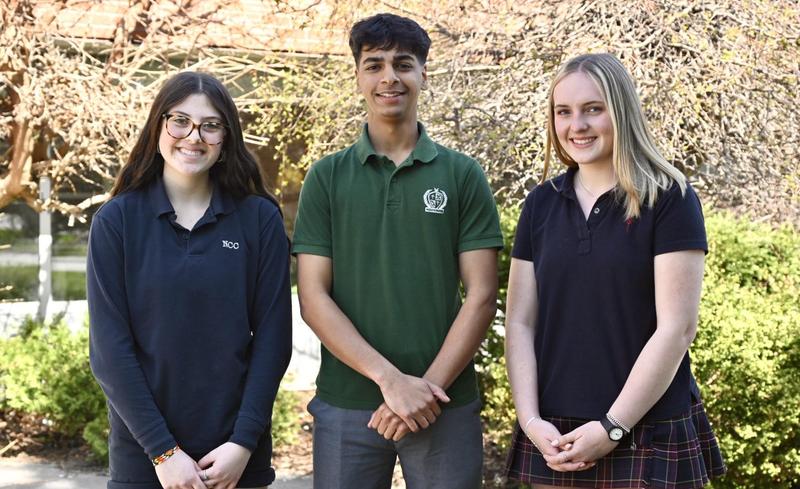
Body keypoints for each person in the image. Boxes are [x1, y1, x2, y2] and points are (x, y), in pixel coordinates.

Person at [292, 13, 503, 489]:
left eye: (403, 64)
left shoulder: (461, 175)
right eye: (375, 65)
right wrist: (392, 382)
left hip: (444, 403)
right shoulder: (326, 178)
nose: (390, 77)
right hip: (348, 405)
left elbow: (482, 295)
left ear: (423, 74)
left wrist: (424, 391)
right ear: (358, 77)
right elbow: (313, 299)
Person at [504, 53, 727, 489]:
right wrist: (531, 421)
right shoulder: (540, 204)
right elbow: (519, 321)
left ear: (620, 111)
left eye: (593, 109)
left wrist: (612, 427)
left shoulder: (670, 198)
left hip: (647, 426)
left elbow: (677, 329)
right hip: (557, 434)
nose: (576, 125)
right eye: (563, 112)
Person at [87, 71, 292, 489]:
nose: (193, 136)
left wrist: (243, 442)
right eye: (180, 121)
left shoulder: (259, 219)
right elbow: (110, 350)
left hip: (235, 461)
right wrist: (162, 451)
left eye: (210, 125)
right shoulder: (117, 222)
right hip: (146, 461)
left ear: (227, 136)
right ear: (158, 125)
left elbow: (273, 338)